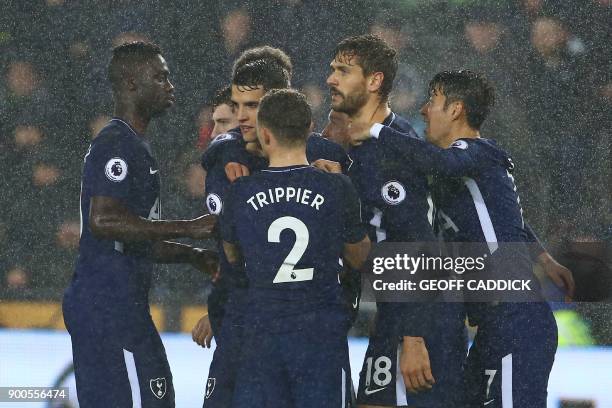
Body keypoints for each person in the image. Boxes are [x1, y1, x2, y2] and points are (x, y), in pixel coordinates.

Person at [348, 70, 574, 407]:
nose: (424, 110)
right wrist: (544, 257)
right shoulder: (457, 174)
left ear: (456, 110)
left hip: (517, 319)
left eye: (433, 102)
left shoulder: (477, 152)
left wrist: (378, 130)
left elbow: (442, 161)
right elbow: (510, 220)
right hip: (491, 326)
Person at [62, 41, 218, 408]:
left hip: (123, 304)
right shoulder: (116, 143)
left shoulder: (136, 144)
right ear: (132, 83)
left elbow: (138, 235)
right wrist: (188, 226)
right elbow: (104, 220)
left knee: (157, 398)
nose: (170, 85)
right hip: (106, 305)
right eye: (161, 77)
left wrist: (193, 255)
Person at [199, 48, 351, 408]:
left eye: (251, 107)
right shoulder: (227, 159)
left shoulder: (326, 159)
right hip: (242, 319)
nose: (240, 118)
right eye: (235, 107)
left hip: (309, 323)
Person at [325, 35, 467, 408]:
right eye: (331, 70)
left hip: (424, 316)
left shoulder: (394, 152)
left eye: (343, 70)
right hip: (396, 310)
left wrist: (415, 338)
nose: (331, 79)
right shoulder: (355, 144)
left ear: (374, 81)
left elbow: (421, 246)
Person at [221, 88, 371, 407]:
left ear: (265, 135)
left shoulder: (241, 192)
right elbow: (360, 258)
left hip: (262, 333)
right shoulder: (336, 186)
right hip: (320, 334)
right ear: (309, 129)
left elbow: (232, 256)